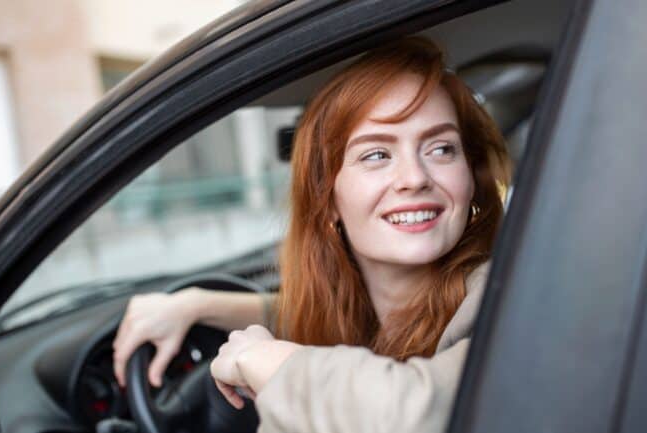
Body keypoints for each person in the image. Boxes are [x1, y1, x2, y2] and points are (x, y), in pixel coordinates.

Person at [113, 36, 511, 433]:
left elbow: (425, 413)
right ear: (328, 200)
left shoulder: (504, 298)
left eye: (441, 149)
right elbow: (310, 308)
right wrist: (196, 305)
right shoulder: (365, 304)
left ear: (470, 180)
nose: (415, 177)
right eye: (377, 154)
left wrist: (265, 361)